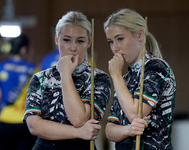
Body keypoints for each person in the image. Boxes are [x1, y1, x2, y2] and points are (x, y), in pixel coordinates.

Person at [23, 11, 111, 150]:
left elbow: (78, 119)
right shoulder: (40, 78)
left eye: (80, 41)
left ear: (89, 42)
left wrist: (65, 74)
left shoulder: (99, 78)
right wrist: (78, 132)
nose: (73, 47)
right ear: (57, 39)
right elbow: (34, 126)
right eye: (66, 40)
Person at [104, 8, 176, 150]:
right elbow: (109, 130)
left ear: (140, 34)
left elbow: (134, 114)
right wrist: (128, 130)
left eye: (120, 39)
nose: (115, 48)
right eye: (110, 42)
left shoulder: (157, 68)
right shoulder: (124, 79)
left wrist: (116, 75)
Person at [0, 34, 38, 150]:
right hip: (25, 122)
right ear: (24, 49)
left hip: (4, 119)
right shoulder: (33, 69)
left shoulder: (1, 66)